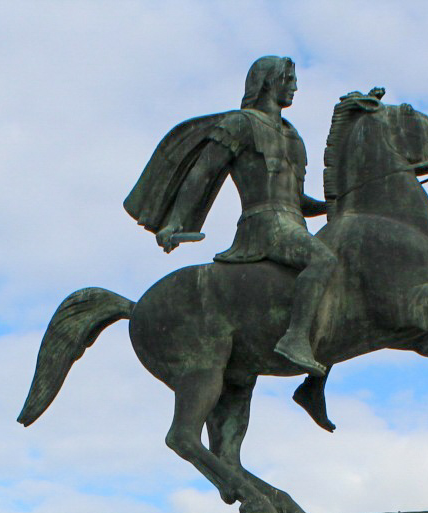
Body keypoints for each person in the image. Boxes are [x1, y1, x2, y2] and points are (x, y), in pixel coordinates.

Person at [126, 54, 335, 376]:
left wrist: (336, 203)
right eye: (288, 80)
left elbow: (296, 199)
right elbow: (203, 173)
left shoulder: (293, 135)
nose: (295, 87)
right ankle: (294, 340)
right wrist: (175, 221)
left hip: (294, 224)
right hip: (264, 225)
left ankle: (313, 381)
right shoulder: (240, 124)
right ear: (268, 82)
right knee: (323, 261)